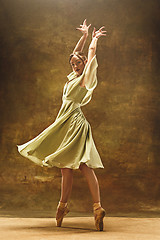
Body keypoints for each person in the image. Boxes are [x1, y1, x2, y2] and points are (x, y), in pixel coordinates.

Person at [17, 19, 106, 231]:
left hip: (73, 123)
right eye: (72, 64)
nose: (75, 66)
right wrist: (83, 37)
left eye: (78, 64)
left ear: (85, 64)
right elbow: (77, 54)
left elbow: (90, 56)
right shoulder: (74, 76)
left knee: (80, 166)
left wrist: (93, 40)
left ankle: (86, 207)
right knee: (68, 168)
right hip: (68, 123)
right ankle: (79, 207)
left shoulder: (85, 78)